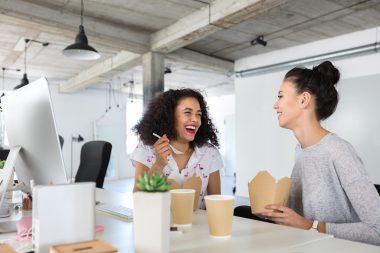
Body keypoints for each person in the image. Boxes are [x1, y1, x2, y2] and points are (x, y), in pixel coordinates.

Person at [261, 61, 380, 245]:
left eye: (280, 96)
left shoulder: (338, 151)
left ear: (303, 100)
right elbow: (300, 219)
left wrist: (310, 226)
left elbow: (377, 230)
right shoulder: (300, 151)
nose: (274, 105)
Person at [130, 88, 223, 209]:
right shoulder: (146, 149)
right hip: (159, 224)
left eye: (198, 114)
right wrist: (158, 164)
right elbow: (138, 199)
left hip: (197, 226)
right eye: (188, 112)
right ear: (169, 116)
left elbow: (215, 204)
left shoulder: (210, 153)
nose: (195, 119)